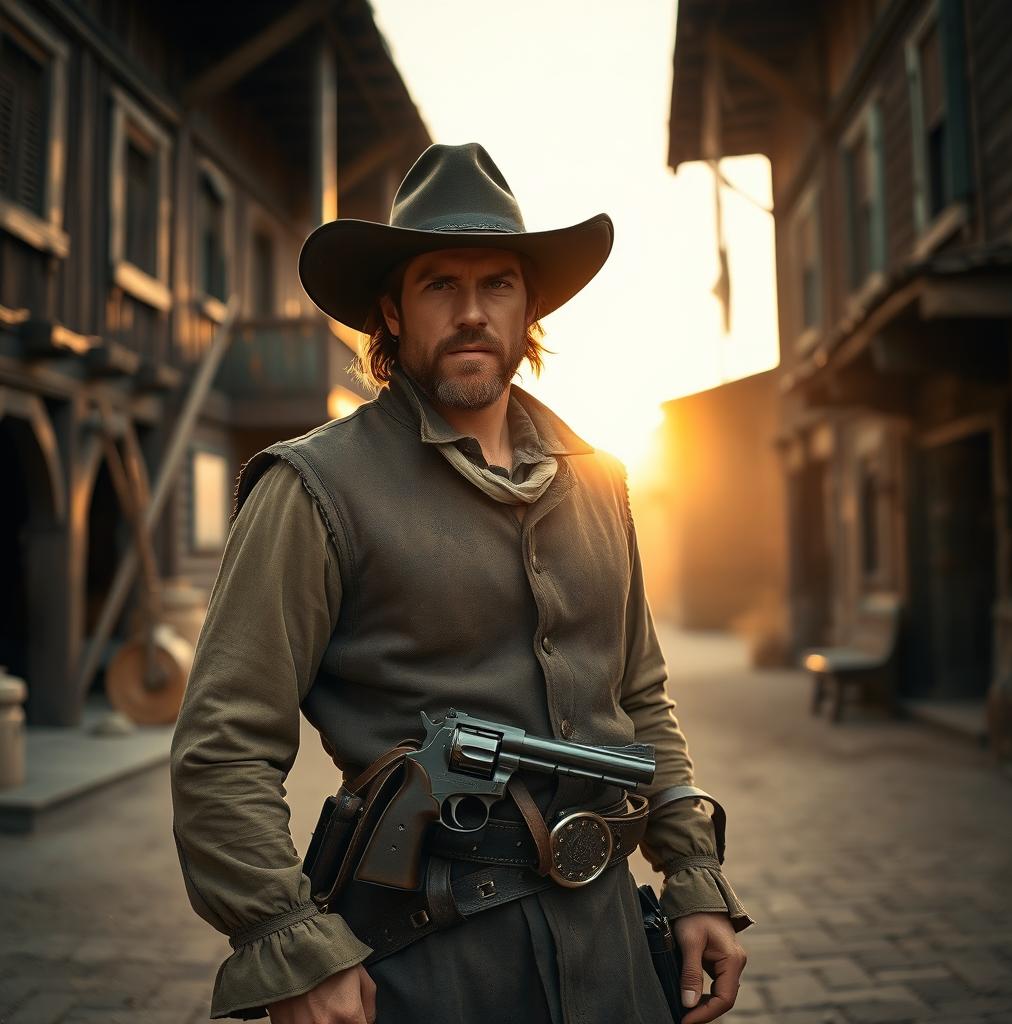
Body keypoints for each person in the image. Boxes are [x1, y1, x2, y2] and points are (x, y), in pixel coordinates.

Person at [170, 142, 751, 1024]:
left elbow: (639, 696)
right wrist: (289, 944)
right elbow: (224, 746)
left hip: (612, 952)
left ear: (529, 308)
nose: (472, 312)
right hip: (429, 961)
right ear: (392, 312)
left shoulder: (600, 480)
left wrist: (693, 872)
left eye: (497, 285)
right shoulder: (313, 488)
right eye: (440, 283)